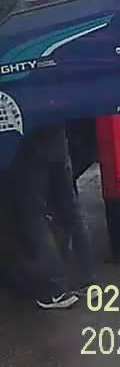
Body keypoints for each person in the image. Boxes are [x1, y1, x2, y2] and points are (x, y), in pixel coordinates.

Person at [8, 125, 94, 309]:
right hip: (57, 139)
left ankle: (55, 289)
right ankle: (86, 281)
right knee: (70, 209)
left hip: (29, 143)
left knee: (33, 213)